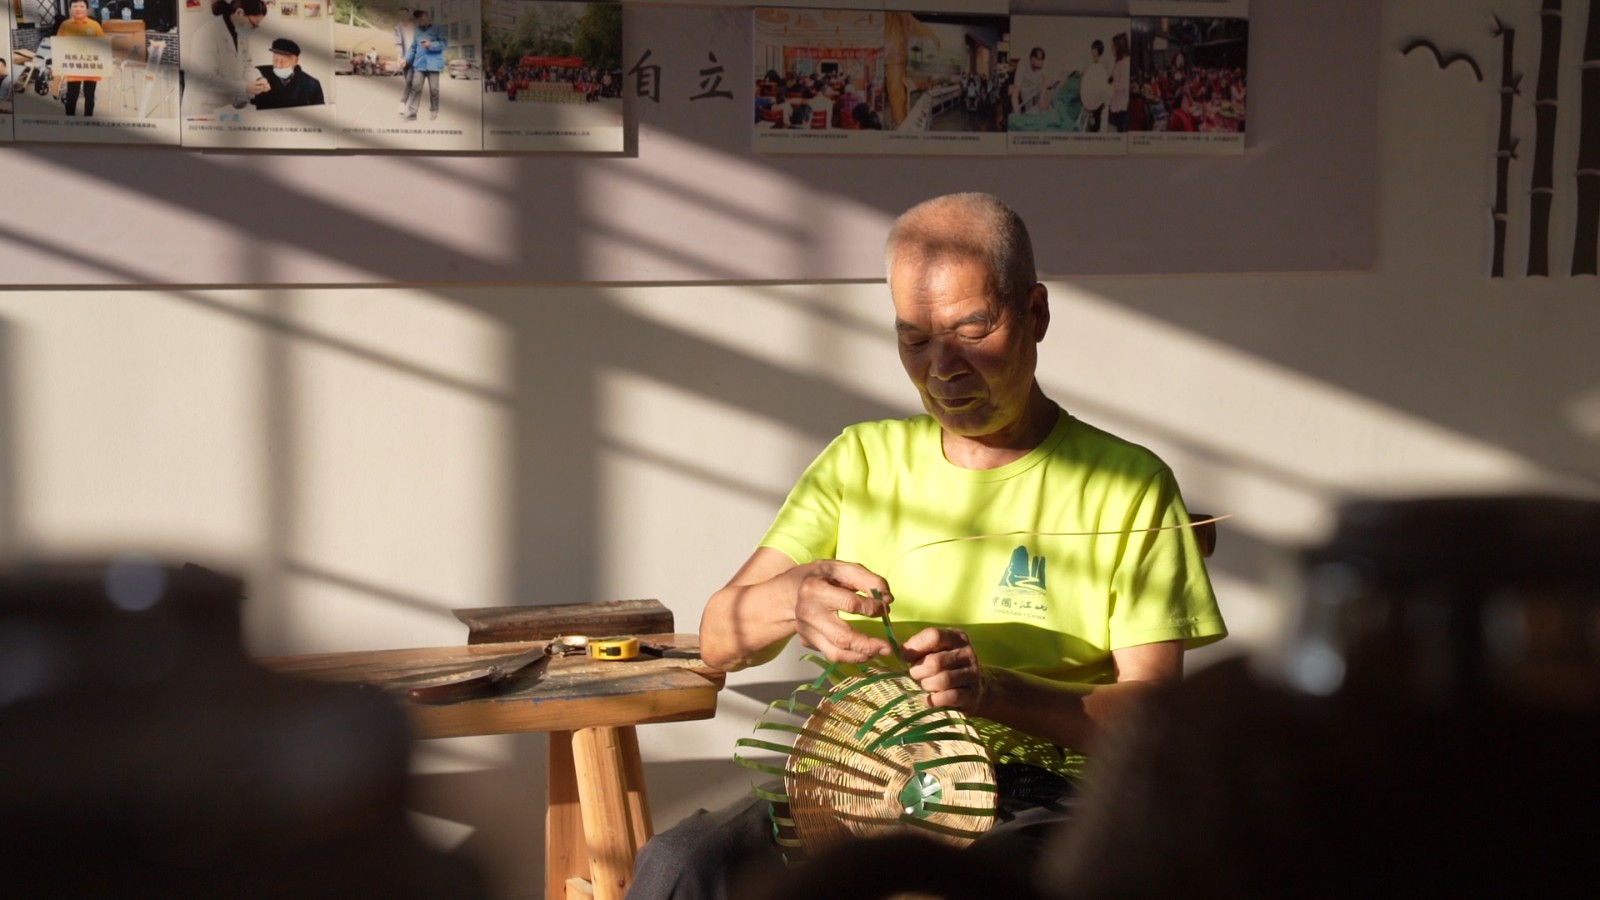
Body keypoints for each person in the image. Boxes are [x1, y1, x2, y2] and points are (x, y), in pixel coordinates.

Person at [628, 193, 1227, 900]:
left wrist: (995, 692)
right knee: (681, 863)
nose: (943, 368)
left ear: (1035, 313)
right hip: (858, 782)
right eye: (914, 340)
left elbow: (1155, 723)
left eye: (971, 330)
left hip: (1037, 792)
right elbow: (719, 640)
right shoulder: (860, 462)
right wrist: (793, 599)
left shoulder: (1127, 484)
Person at [184, 0, 269, 116]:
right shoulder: (207, 34)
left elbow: (246, 64)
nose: (253, 29)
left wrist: (258, 80)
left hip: (226, 107)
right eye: (253, 24)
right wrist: (244, 87)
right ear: (239, 13)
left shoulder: (241, 33)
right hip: (204, 106)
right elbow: (205, 78)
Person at [55, 0, 105, 117]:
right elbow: (59, 46)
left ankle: (87, 120)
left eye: (81, 6)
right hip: (73, 67)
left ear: (87, 9)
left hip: (90, 68)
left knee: (89, 97)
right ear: (70, 9)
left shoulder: (94, 25)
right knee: (71, 97)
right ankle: (70, 121)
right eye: (75, 6)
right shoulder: (65, 25)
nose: (78, 9)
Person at [249, 37, 325, 109]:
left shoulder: (311, 85)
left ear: (296, 61)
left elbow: (320, 112)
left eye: (284, 61)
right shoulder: (259, 75)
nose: (278, 65)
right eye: (275, 60)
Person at [403, 8, 446, 121]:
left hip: (434, 65)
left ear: (427, 17)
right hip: (419, 64)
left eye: (422, 19)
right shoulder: (417, 31)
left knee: (434, 89)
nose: (420, 22)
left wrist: (430, 45)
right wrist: (406, 59)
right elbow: (413, 48)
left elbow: (444, 44)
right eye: (418, 20)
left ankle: (434, 110)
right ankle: (412, 113)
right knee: (415, 87)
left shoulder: (438, 28)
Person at [1078, 39, 1111, 132]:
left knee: (1097, 116)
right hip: (1092, 93)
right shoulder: (1091, 63)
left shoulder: (1103, 62)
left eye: (1095, 48)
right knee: (1091, 116)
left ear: (1099, 49)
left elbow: (1104, 79)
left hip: (1099, 94)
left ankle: (1096, 130)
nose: (1092, 51)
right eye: (1092, 48)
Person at [1011, 47, 1048, 115]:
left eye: (1039, 67)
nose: (1036, 70)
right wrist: (1016, 113)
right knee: (1030, 112)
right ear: (1030, 59)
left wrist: (1042, 98)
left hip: (1037, 87)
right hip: (1026, 90)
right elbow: (1015, 93)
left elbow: (1045, 79)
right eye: (1034, 66)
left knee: (1043, 107)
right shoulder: (1022, 65)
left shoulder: (1043, 63)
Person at [393, 6, 415, 114]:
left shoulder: (415, 27)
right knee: (408, 82)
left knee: (410, 81)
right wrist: (399, 57)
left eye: (404, 14)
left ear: (408, 15)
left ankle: (402, 103)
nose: (402, 16)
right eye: (400, 15)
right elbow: (398, 44)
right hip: (404, 60)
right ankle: (412, 103)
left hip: (415, 59)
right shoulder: (397, 28)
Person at [1107, 33, 1131, 132]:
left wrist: (1109, 86)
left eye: (1113, 46)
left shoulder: (1126, 62)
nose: (1111, 49)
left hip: (1122, 106)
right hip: (1117, 104)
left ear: (1119, 47)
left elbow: (1123, 85)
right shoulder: (1119, 62)